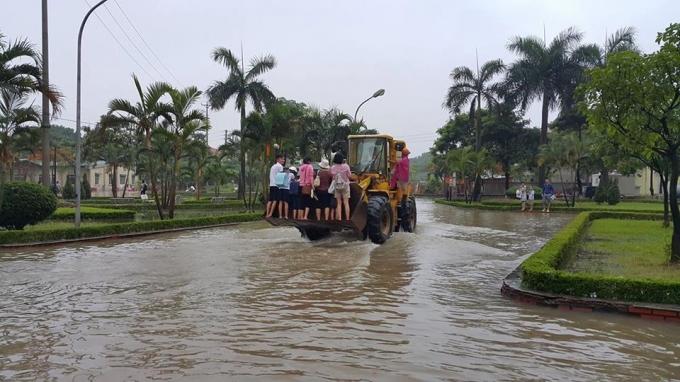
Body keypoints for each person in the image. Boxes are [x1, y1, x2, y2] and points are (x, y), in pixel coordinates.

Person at [331, 153, 351, 220]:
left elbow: (333, 178)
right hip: (345, 186)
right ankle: (347, 218)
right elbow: (349, 176)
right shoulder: (346, 166)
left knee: (339, 203)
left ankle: (339, 218)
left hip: (337, 187)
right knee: (346, 203)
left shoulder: (333, 168)